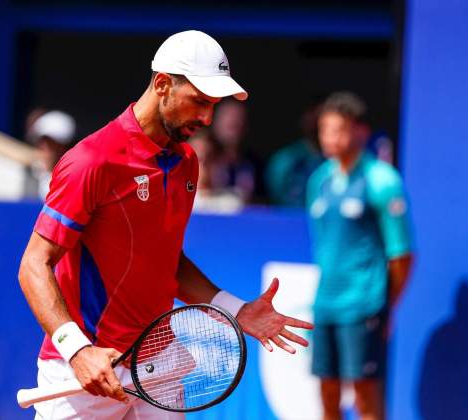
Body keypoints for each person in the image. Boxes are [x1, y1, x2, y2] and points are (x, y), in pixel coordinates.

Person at [17, 30, 313, 420]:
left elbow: (164, 260)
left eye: (214, 105)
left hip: (158, 362)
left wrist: (236, 310)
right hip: (86, 366)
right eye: (199, 102)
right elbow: (34, 265)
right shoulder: (93, 161)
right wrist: (78, 349)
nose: (207, 118)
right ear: (162, 85)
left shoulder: (186, 163)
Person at [306, 91, 413, 420]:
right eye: (325, 129)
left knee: (365, 394)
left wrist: (386, 306)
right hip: (325, 304)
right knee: (326, 391)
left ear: (360, 132)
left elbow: (402, 254)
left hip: (364, 305)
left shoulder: (382, 180)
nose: (331, 138)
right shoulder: (319, 180)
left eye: (339, 129)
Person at [266, 103, 323, 207]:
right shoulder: (285, 159)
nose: (317, 123)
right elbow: (275, 197)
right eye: (314, 117)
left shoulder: (335, 164)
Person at [24, 109, 76, 199]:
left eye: (55, 143)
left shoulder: (74, 177)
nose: (47, 148)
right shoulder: (30, 172)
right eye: (44, 141)